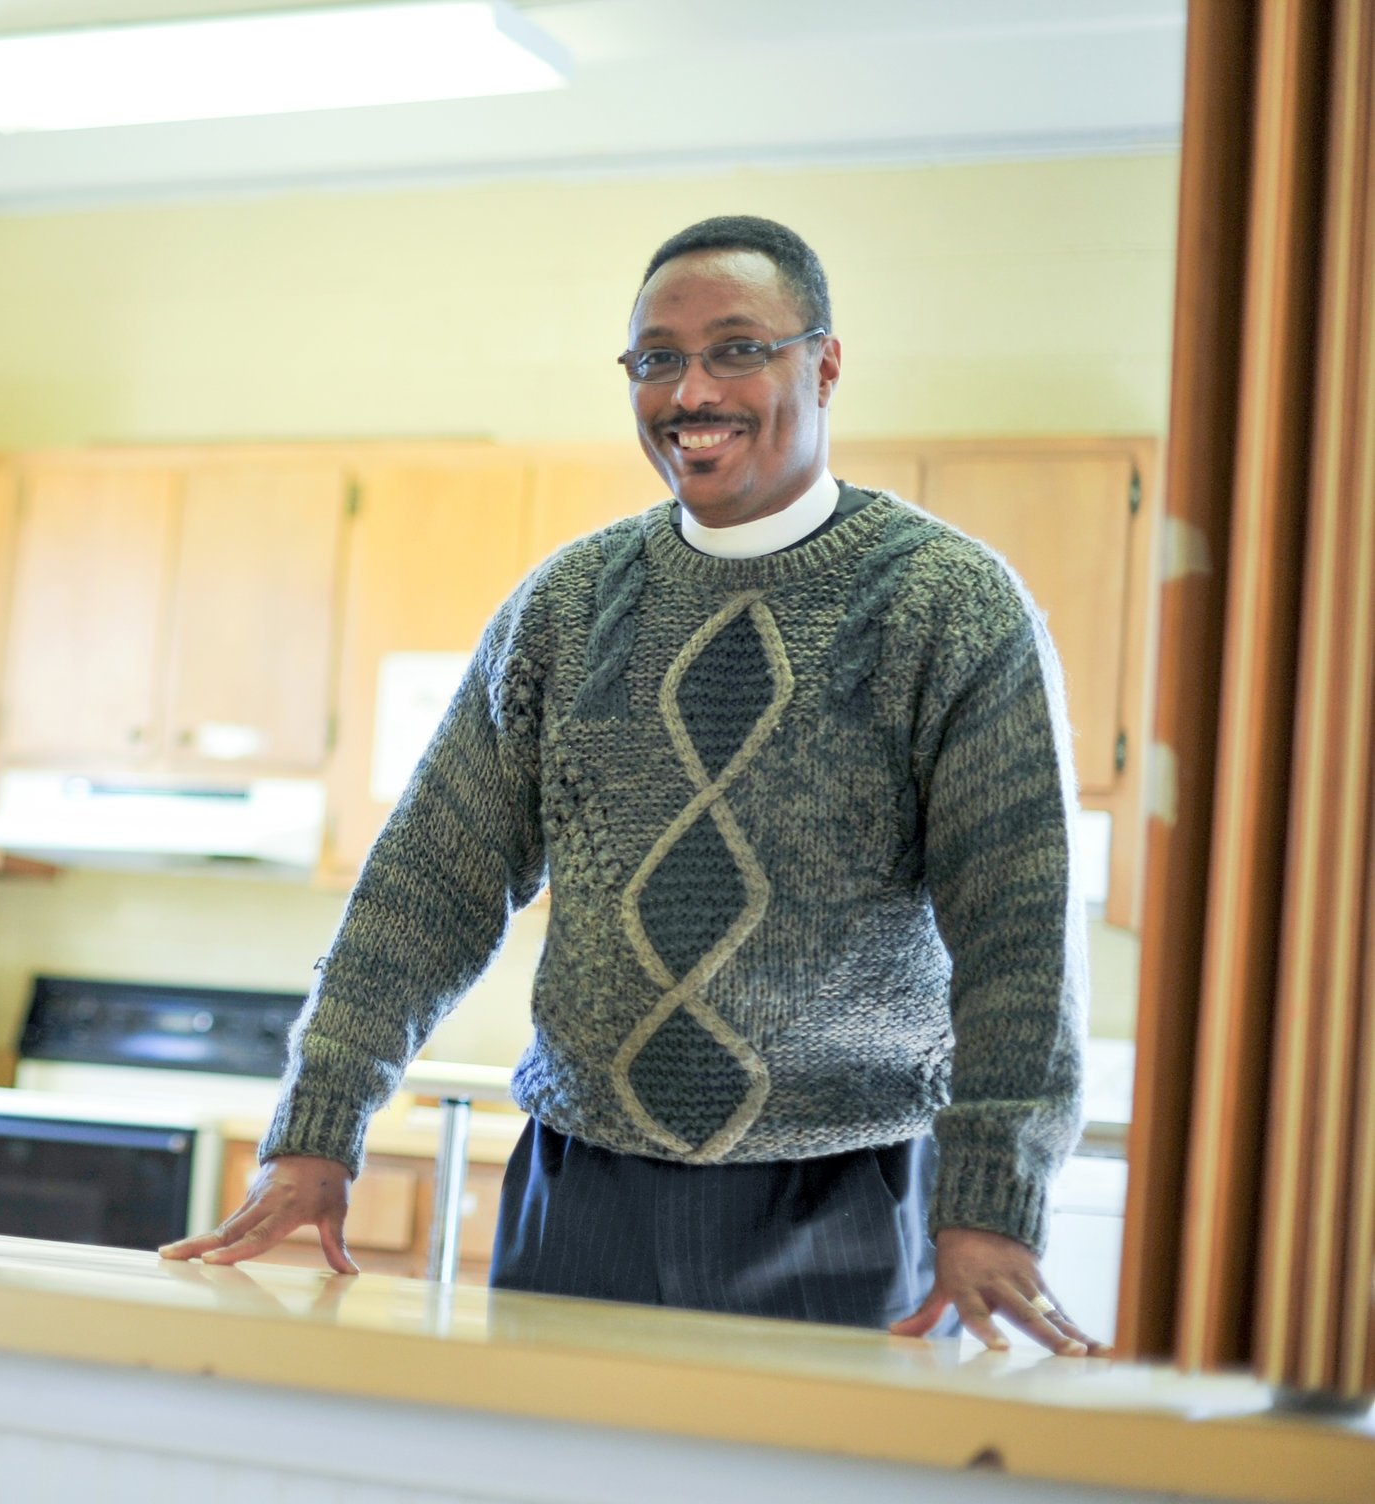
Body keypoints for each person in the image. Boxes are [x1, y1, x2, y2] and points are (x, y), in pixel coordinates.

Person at [162, 215, 1099, 1356]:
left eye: (736, 349)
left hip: (847, 1204)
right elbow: (424, 887)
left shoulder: (949, 606)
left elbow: (1020, 933)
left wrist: (992, 1198)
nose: (690, 389)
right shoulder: (563, 606)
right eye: (656, 358)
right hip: (579, 1196)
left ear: (825, 361)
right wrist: (316, 1128)